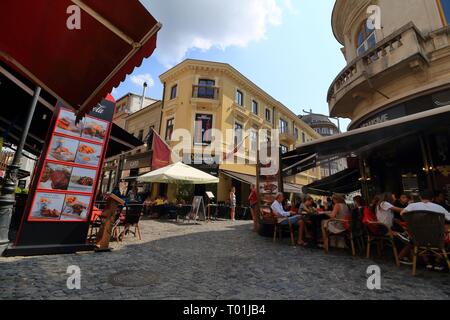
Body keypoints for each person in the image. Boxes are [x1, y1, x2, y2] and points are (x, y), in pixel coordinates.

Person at [399, 190, 450, 270]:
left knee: (419, 239)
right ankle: (438, 261)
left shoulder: (412, 206)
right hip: (437, 238)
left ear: (420, 197)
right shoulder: (439, 207)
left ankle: (427, 262)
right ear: (432, 199)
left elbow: (402, 213)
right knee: (447, 235)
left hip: (418, 238)